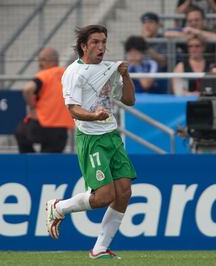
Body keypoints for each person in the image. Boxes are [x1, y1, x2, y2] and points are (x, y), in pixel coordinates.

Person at [46, 25, 136, 260]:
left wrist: (125, 75)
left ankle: (99, 249)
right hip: (91, 139)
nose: (101, 47)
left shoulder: (108, 69)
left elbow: (129, 99)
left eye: (104, 42)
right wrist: (94, 115)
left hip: (112, 137)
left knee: (124, 192)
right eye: (95, 42)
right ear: (84, 46)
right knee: (103, 197)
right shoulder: (74, 72)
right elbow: (73, 109)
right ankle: (58, 208)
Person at [14, 48, 75, 153]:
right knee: (49, 164)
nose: (40, 63)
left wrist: (32, 106)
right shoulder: (68, 74)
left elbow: (28, 89)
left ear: (54, 61)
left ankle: (30, 161)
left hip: (42, 125)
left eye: (43, 60)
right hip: (62, 129)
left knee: (20, 132)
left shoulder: (45, 75)